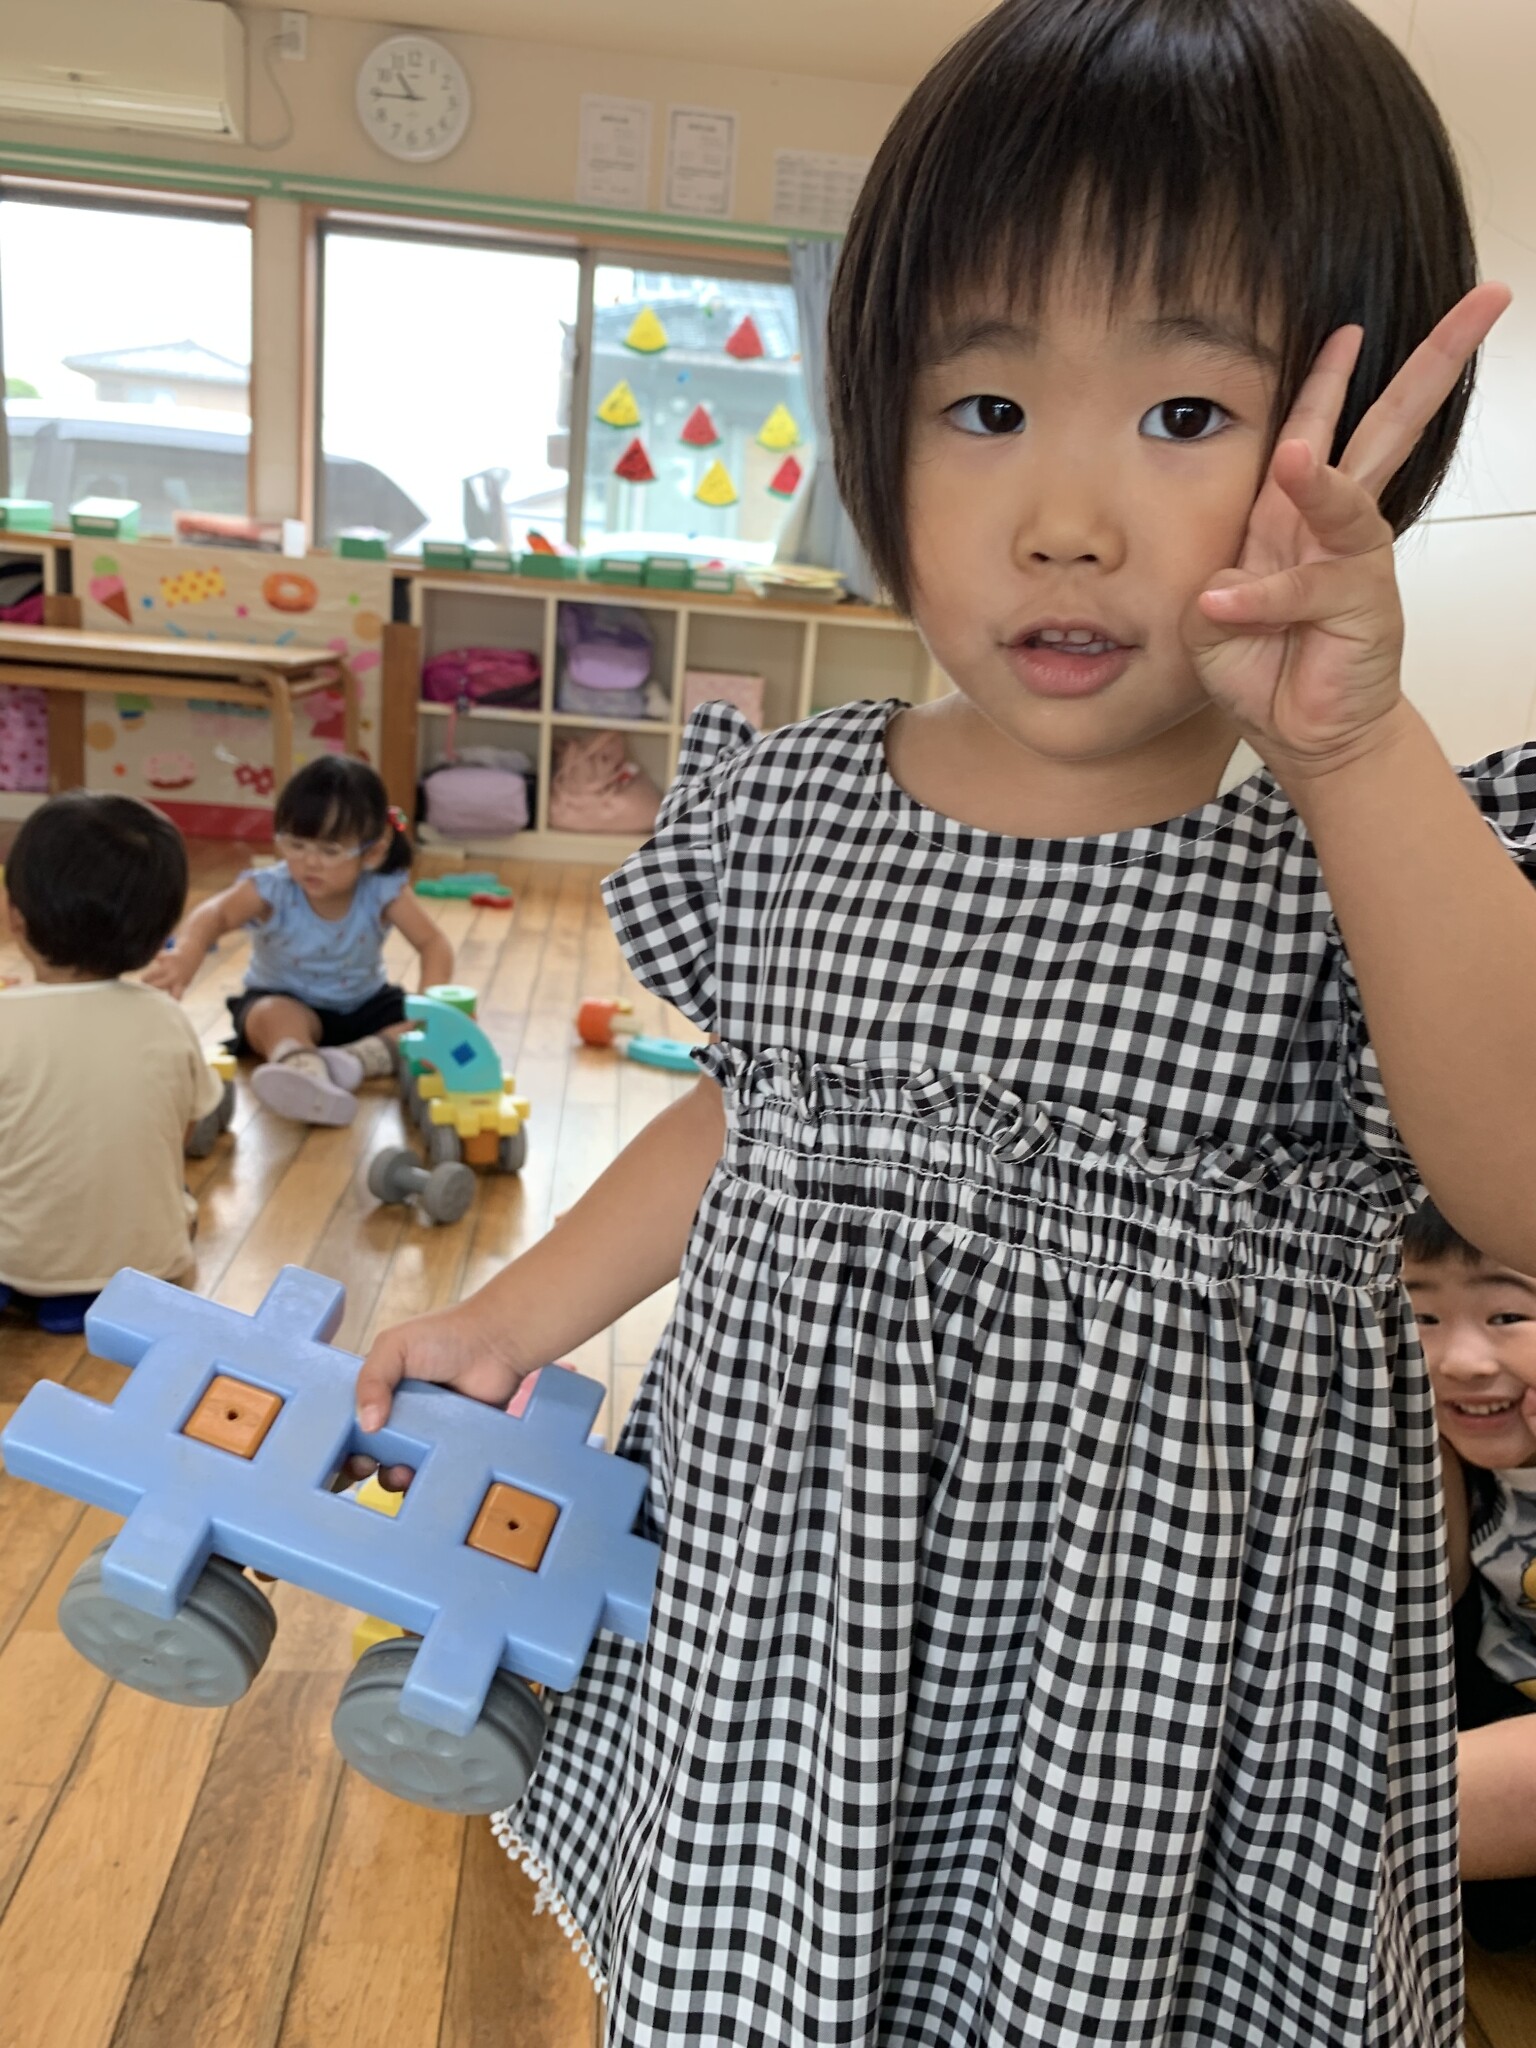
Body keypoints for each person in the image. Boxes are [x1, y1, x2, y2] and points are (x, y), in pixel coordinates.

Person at [344, 2, 1536, 2038]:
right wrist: (512, 1313)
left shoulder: (1364, 859)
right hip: (797, 1630)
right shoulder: (798, 806)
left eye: (1184, 412)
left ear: (1371, 448)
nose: (1064, 516)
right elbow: (764, 1116)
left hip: (1155, 1715)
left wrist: (1355, 749)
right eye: (984, 404)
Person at [0, 792, 224, 1332]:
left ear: (15, 917)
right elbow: (183, 1129)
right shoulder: (167, 1018)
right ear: (158, 933)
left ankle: (29, 1282)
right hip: (144, 1267)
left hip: (19, 1261)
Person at [148, 756, 452, 1126]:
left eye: (330, 851)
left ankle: (355, 1060)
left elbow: (433, 943)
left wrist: (430, 1008)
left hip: (365, 1007)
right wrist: (187, 953)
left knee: (436, 1028)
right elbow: (217, 914)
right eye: (296, 845)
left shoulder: (382, 891)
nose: (310, 862)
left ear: (373, 851)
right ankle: (304, 1069)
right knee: (268, 1015)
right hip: (287, 1003)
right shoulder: (273, 888)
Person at [1402, 1201, 1536, 1957]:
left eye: (1508, 1316)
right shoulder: (1450, 1433)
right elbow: (1440, 1594)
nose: (1460, 1360)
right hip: (1491, 1696)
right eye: (1422, 1317)